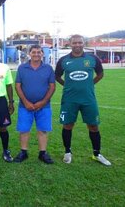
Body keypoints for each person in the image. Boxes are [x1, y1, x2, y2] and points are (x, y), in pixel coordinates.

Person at [55, 34, 111, 166]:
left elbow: (100, 74)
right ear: (70, 44)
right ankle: (67, 152)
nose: (77, 45)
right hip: (69, 99)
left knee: (93, 125)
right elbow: (57, 76)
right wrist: (68, 85)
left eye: (80, 42)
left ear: (83, 43)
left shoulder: (93, 58)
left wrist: (90, 84)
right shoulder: (63, 60)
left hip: (88, 99)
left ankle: (97, 154)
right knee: (68, 125)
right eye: (74, 43)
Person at [14, 45, 55, 164]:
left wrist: (43, 102)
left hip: (44, 106)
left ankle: (42, 153)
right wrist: (26, 102)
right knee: (24, 130)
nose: (36, 54)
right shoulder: (22, 68)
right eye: (34, 52)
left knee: (42, 130)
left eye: (39, 52)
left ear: (42, 54)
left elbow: (52, 87)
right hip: (25, 106)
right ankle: (23, 152)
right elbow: (18, 86)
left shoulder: (48, 68)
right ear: (29, 54)